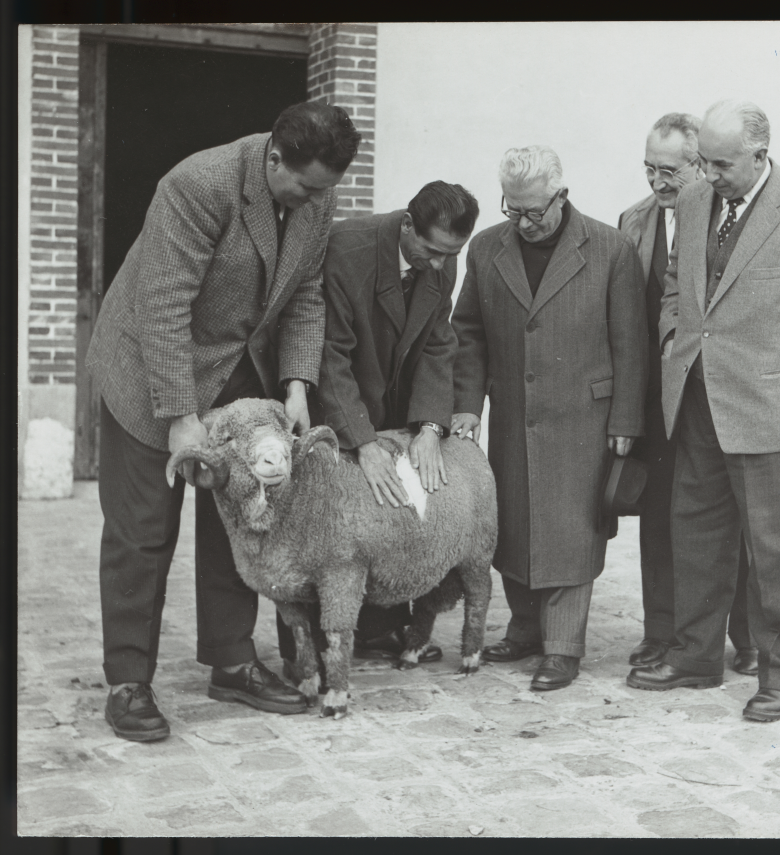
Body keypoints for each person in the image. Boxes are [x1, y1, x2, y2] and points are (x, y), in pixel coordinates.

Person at [85, 101, 361, 742]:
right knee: (143, 529)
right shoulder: (197, 185)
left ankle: (232, 661)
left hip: (236, 367)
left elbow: (307, 293)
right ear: (273, 158)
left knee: (241, 517)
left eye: (326, 190)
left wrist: (295, 385)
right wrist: (181, 419)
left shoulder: (314, 196)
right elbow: (162, 305)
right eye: (307, 186)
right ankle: (129, 682)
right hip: (149, 365)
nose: (317, 200)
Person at [626, 100, 780, 722]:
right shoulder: (700, 198)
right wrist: (676, 338)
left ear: (760, 155)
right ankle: (695, 657)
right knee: (696, 536)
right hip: (698, 402)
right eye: (702, 160)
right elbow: (678, 281)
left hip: (775, 411)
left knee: (778, 554)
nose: (708, 173)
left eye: (721, 163)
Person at [451, 145, 647, 691]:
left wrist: (626, 421)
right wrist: (467, 407)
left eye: (535, 211)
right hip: (515, 414)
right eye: (512, 210)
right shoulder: (487, 248)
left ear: (561, 196)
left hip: (586, 417)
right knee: (513, 526)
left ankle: (563, 646)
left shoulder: (611, 248)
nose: (524, 223)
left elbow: (631, 343)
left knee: (571, 531)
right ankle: (525, 627)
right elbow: (467, 334)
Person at [275, 180, 480, 673]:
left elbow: (437, 343)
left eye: (449, 255)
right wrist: (362, 442)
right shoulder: (348, 250)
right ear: (407, 225)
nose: (438, 265)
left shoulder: (440, 254)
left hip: (393, 401)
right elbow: (332, 357)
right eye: (431, 251)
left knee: (384, 512)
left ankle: (378, 629)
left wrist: (431, 425)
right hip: (340, 403)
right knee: (324, 528)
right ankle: (306, 651)